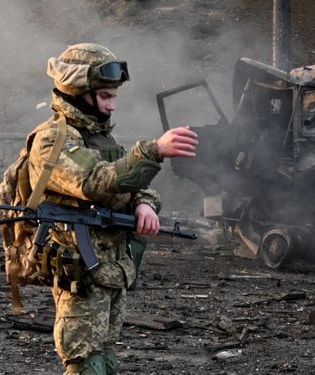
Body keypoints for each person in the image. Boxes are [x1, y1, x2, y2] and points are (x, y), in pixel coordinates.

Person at [31, 43, 198, 374]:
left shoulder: (101, 140)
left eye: (114, 96)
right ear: (79, 92)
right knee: (84, 359)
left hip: (111, 267)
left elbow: (135, 185)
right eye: (106, 96)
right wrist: (153, 151)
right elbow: (93, 181)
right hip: (79, 268)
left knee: (105, 355)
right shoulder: (53, 140)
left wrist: (144, 206)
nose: (112, 106)